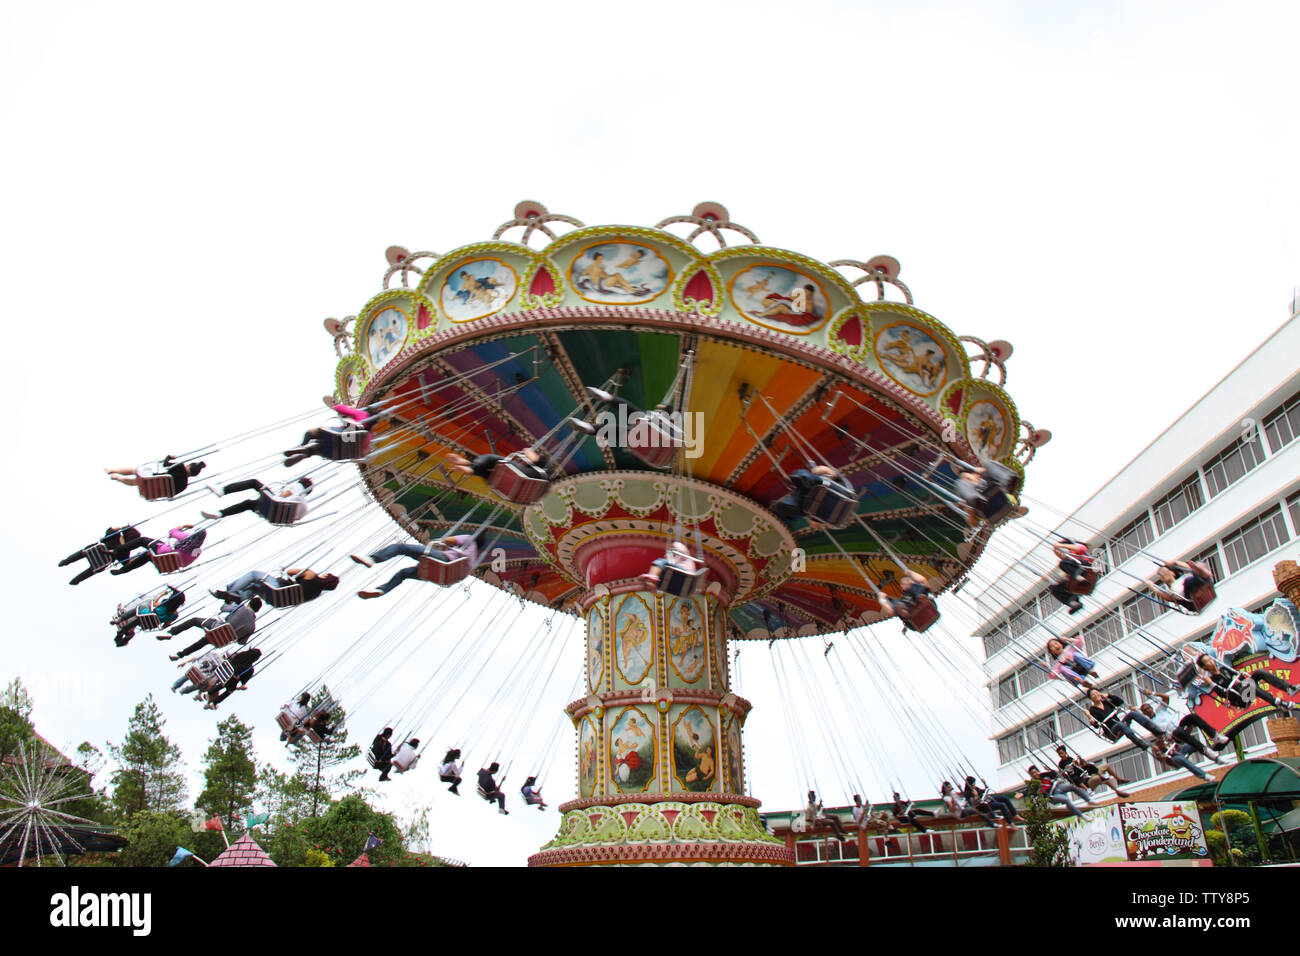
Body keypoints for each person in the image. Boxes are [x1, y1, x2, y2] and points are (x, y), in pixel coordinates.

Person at [354, 531, 483, 598]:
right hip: (443, 576)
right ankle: (381, 590)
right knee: (403, 573)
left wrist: (443, 541)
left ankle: (372, 559)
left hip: (443, 560)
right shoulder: (472, 560)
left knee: (400, 547)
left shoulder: (469, 539)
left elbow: (449, 540)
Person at [1129, 689, 1230, 756]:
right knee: (1179, 732)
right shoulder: (1150, 723)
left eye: (1148, 708)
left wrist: (1153, 693)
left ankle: (1215, 735)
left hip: (1180, 725)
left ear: (1151, 708)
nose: (1148, 711)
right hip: (1174, 734)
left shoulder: (1160, 710)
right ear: (1144, 713)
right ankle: (1205, 750)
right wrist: (1134, 710)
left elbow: (1166, 697)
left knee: (1192, 717)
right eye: (1145, 710)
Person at [282, 402, 386, 466]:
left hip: (335, 436)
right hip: (338, 454)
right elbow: (363, 452)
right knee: (316, 449)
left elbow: (338, 408)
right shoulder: (370, 435)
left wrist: (350, 408)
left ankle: (303, 447)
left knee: (311, 432)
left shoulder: (362, 414)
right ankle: (305, 453)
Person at [1196, 653, 1297, 715]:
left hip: (1245, 688)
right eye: (1208, 662)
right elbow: (1225, 695)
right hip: (1240, 698)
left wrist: (1237, 678)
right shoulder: (1213, 680)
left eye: (1210, 659)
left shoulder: (1224, 669)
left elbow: (1242, 677)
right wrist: (1211, 684)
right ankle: (1278, 703)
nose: (1211, 662)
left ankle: (1288, 688)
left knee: (1258, 672)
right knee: (1249, 685)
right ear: (1205, 667)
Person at [168, 598, 259, 657]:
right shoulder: (252, 627)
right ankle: (180, 655)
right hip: (221, 640)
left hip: (216, 628)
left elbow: (223, 608)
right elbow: (241, 642)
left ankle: (172, 632)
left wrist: (229, 602)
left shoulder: (241, 608)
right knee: (203, 642)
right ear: (257, 610)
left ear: (249, 604)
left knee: (194, 621)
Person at [60, 525, 149, 585]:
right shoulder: (125, 551)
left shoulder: (113, 535)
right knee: (92, 570)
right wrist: (138, 556)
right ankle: (75, 581)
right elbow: (127, 563)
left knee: (82, 553)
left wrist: (123, 527)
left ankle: (65, 561)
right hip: (101, 562)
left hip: (93, 551)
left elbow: (111, 529)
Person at [201, 477, 314, 522]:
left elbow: (285, 495)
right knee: (249, 504)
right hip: (273, 517)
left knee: (253, 483)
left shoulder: (298, 487)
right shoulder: (304, 506)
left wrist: (283, 491)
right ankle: (220, 514)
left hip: (273, 505)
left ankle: (223, 490)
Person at [770, 464, 853, 523]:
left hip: (820, 491)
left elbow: (826, 471)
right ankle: (785, 506)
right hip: (811, 502)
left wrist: (816, 471)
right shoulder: (847, 490)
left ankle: (802, 478)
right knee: (799, 506)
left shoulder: (846, 488)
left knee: (806, 477)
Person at [112, 525, 207, 575]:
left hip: (161, 553)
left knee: (143, 540)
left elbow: (172, 532)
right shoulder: (197, 552)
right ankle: (122, 570)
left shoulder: (185, 538)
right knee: (148, 556)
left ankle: (117, 550)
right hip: (167, 565)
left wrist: (182, 526)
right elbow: (187, 563)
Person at [213, 568, 339, 605]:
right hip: (278, 601)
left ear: (326, 578)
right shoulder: (316, 594)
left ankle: (230, 591)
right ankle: (238, 597)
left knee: (254, 575)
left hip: (278, 588)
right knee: (255, 587)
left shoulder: (311, 575)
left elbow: (290, 571)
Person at [114, 587, 187, 645]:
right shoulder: (175, 615)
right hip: (151, 625)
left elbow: (154, 603)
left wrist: (161, 594)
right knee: (140, 620)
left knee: (139, 609)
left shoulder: (165, 602)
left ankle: (121, 619)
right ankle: (120, 636)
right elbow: (165, 625)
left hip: (146, 616)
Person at [1087, 688, 1151, 749]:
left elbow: (1120, 702)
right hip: (1112, 731)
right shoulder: (1093, 710)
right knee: (1120, 724)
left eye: (1096, 693)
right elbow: (1096, 725)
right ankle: (1140, 743)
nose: (1096, 695)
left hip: (1120, 725)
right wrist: (1091, 720)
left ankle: (1150, 726)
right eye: (1093, 695)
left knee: (1132, 714)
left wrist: (1108, 695)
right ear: (1091, 698)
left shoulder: (1106, 703)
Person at [1055, 745, 1130, 798]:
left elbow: (1080, 766)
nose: (1061, 755)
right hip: (1084, 781)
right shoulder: (1061, 763)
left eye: (1062, 753)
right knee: (1098, 779)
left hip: (1085, 774)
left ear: (1065, 752)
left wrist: (1078, 761)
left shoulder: (1070, 758)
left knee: (1104, 766)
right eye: (1059, 754)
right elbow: (1063, 774)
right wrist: (1064, 770)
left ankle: (1118, 780)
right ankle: (1116, 791)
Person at [105, 456, 206, 494]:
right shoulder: (184, 486)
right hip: (152, 491)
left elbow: (165, 463)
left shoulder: (180, 467)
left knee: (136, 470)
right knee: (136, 482)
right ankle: (118, 478)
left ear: (188, 466)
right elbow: (171, 494)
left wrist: (169, 457)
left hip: (151, 479)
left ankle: (112, 470)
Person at [1145, 560, 1214, 613]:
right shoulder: (1171, 591)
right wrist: (1153, 588)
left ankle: (1202, 573)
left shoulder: (1183, 577)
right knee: (1189, 580)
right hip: (1192, 600)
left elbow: (1189, 568)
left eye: (1163, 573)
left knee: (1193, 572)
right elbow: (1169, 598)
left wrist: (1175, 562)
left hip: (1201, 586)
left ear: (1172, 573)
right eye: (1161, 576)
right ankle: (1203, 574)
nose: (1162, 575)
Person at [447, 448, 549, 483]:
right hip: (522, 481)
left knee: (490, 458)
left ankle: (470, 467)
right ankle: (469, 466)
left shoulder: (541, 467)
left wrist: (527, 450)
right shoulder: (543, 470)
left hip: (526, 477)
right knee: (488, 472)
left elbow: (535, 458)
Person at [1046, 541, 1094, 614]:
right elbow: (1065, 578)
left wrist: (1060, 545)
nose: (1058, 553)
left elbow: (1080, 548)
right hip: (1077, 579)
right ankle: (1074, 603)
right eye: (1056, 552)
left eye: (1059, 550)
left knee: (1064, 563)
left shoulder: (1074, 552)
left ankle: (1079, 578)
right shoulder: (1063, 563)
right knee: (1055, 588)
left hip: (1086, 569)